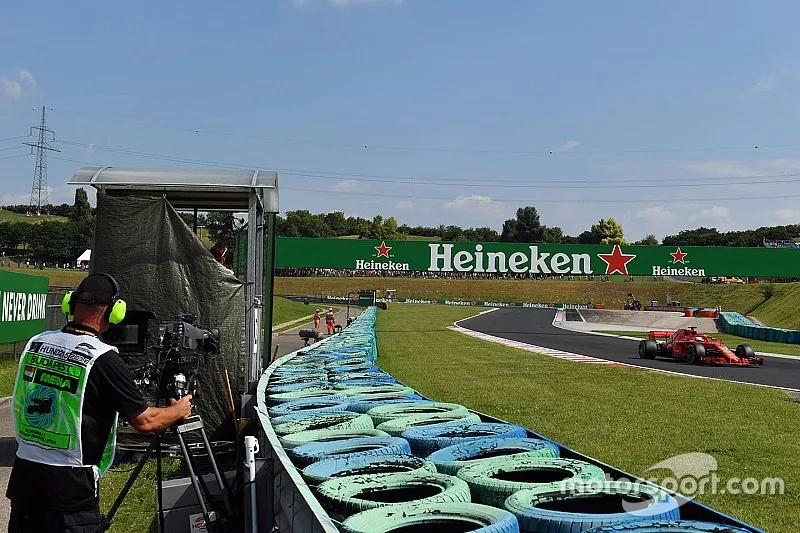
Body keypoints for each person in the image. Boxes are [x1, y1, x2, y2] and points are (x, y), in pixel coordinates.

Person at [7, 273, 193, 533]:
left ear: (70, 304)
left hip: (25, 480)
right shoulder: (103, 358)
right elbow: (146, 421)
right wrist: (178, 409)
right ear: (114, 312)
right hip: (69, 494)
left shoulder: (37, 343)